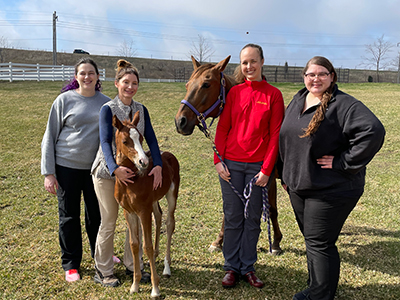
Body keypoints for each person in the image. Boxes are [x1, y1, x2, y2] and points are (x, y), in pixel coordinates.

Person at [278, 56, 385, 300]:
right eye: (310, 74)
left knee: (319, 241)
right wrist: (284, 173)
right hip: (299, 184)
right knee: (314, 240)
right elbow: (286, 138)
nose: (315, 79)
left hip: (331, 188)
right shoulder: (298, 99)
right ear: (304, 77)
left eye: (321, 74)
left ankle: (319, 294)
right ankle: (318, 282)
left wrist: (341, 162)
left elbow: (374, 131)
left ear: (332, 76)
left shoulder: (344, 104)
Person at [214, 44, 285, 289]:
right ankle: (231, 268)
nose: (248, 67)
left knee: (252, 218)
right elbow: (223, 128)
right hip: (231, 166)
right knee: (233, 217)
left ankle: (248, 266)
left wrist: (267, 170)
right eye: (244, 62)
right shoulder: (234, 94)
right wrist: (218, 161)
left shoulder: (274, 95)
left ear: (262, 61)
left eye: (253, 61)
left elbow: (275, 135)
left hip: (257, 168)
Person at [91, 59, 162, 287]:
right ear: (116, 83)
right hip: (106, 173)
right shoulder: (107, 109)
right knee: (109, 221)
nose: (130, 87)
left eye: (134, 83)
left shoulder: (141, 109)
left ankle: (134, 264)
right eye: (125, 82)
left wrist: (158, 164)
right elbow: (104, 141)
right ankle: (103, 270)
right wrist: (114, 169)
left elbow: (151, 138)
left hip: (134, 173)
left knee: (134, 219)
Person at [41, 58, 111, 282]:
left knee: (97, 216)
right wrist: (49, 173)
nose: (87, 77)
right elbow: (49, 137)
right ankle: (71, 264)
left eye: (91, 73)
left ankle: (100, 255)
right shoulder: (64, 101)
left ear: (98, 76)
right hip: (66, 168)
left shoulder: (107, 104)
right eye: (82, 73)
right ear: (76, 77)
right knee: (69, 216)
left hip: (95, 171)